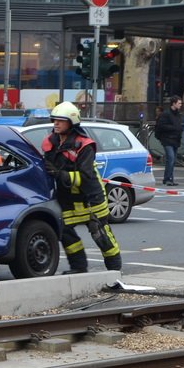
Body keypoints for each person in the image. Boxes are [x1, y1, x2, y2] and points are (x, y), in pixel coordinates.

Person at [42, 102, 122, 273]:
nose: (56, 123)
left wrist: (59, 175)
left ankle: (114, 270)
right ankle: (79, 268)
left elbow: (85, 177)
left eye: (60, 121)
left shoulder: (84, 145)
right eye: (54, 120)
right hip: (67, 198)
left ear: (71, 122)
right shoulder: (50, 142)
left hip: (90, 197)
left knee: (100, 234)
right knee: (65, 233)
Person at [155, 96, 183, 186]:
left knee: (172, 159)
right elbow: (161, 126)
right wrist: (174, 128)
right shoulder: (166, 114)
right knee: (170, 158)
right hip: (167, 139)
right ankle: (167, 178)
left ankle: (169, 178)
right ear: (174, 103)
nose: (180, 105)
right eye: (179, 103)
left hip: (175, 139)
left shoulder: (178, 114)